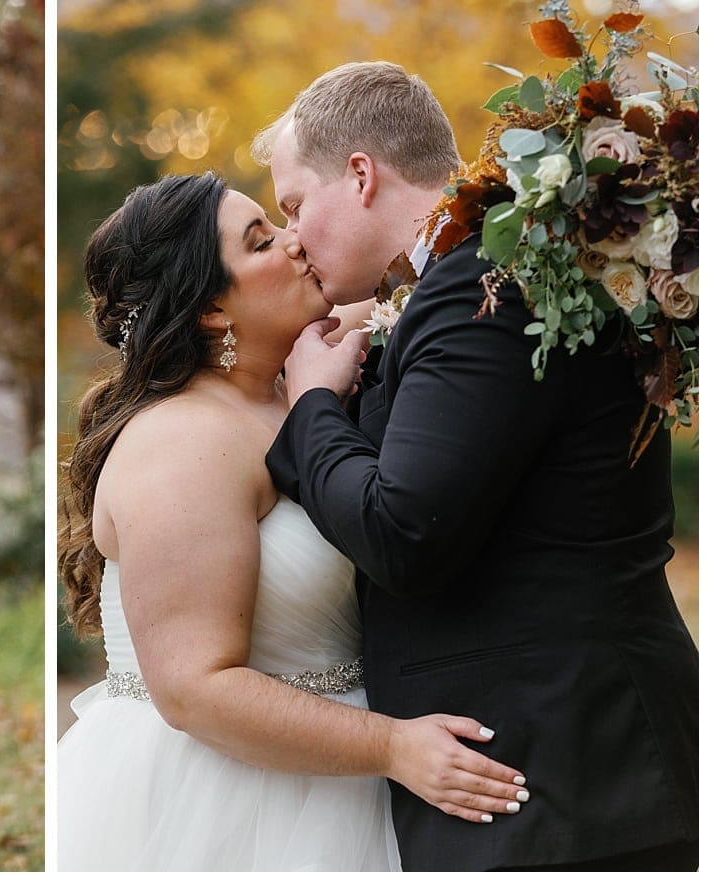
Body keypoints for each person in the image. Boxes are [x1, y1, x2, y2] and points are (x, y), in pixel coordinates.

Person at [261, 61, 699, 871]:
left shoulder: (486, 291)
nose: (292, 236)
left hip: (567, 775)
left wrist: (311, 408)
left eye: (294, 206)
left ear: (360, 175)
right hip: (548, 769)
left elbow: (405, 535)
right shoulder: (481, 277)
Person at [54, 172, 529, 871]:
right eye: (261, 242)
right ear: (212, 310)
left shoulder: (297, 393)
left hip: (343, 784)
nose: (297, 241)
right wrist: (393, 746)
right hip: (231, 803)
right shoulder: (184, 440)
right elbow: (193, 687)